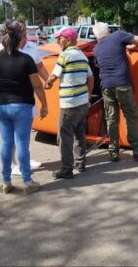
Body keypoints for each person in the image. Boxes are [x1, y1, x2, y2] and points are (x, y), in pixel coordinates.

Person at [0, 20, 48, 195]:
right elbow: (37, 85)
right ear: (18, 38)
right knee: (22, 144)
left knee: (6, 143)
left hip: (1, 107)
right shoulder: (26, 60)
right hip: (22, 106)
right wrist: (44, 104)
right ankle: (27, 181)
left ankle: (6, 181)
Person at [44, 27, 94, 179]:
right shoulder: (83, 56)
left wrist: (48, 83)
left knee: (64, 137)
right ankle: (81, 164)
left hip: (69, 104)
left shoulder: (64, 55)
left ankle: (66, 169)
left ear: (69, 40)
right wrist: (88, 95)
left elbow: (54, 75)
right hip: (83, 102)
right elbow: (91, 78)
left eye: (60, 38)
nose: (58, 41)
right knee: (79, 134)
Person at [92, 22, 138, 162]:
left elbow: (97, 65)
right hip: (122, 83)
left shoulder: (96, 48)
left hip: (106, 86)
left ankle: (113, 152)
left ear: (96, 36)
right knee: (131, 116)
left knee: (111, 119)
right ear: (108, 30)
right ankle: (136, 149)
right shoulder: (118, 35)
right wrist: (132, 47)